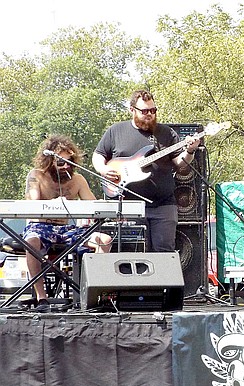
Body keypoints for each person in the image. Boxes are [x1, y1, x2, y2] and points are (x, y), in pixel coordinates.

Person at [92, 89, 200, 252]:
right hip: (127, 205)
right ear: (132, 110)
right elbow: (98, 155)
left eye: (153, 110)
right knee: (131, 252)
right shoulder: (116, 131)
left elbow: (180, 163)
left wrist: (190, 150)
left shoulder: (166, 133)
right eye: (144, 111)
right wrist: (103, 169)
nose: (149, 114)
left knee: (164, 253)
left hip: (163, 205)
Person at [22, 135, 112, 312]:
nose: (66, 166)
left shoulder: (78, 179)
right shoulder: (36, 176)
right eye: (60, 162)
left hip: (66, 229)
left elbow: (94, 206)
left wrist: (112, 207)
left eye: (69, 161)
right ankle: (42, 298)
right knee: (31, 240)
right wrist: (55, 202)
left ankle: (94, 294)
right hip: (41, 227)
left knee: (105, 240)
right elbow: (32, 204)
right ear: (49, 160)